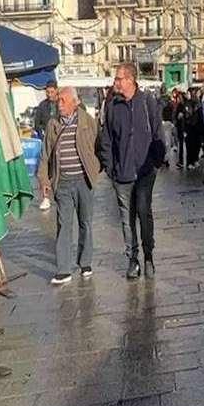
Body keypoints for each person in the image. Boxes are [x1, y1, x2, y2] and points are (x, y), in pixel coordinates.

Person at [99, 63, 165, 279]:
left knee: (144, 215)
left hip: (145, 172)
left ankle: (148, 256)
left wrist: (156, 161)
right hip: (122, 173)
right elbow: (106, 139)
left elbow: (158, 133)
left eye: (118, 79)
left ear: (130, 80)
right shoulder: (112, 106)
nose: (114, 82)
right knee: (127, 219)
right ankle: (132, 259)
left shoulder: (147, 102)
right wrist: (110, 167)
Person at [38, 87, 101, 285]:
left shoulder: (87, 121)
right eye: (58, 101)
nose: (60, 104)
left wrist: (96, 168)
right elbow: (45, 155)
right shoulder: (53, 125)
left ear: (75, 102)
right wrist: (44, 181)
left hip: (83, 181)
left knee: (85, 223)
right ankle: (64, 269)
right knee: (64, 225)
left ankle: (85, 263)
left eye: (63, 101)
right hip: (63, 182)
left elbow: (99, 146)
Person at [33, 82, 61, 210]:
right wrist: (41, 132)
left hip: (60, 142)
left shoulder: (62, 103)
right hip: (46, 142)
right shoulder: (42, 106)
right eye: (47, 92)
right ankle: (45, 197)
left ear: (56, 90)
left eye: (51, 92)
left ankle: (60, 195)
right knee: (44, 170)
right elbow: (36, 123)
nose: (49, 95)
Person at [164, 88, 188, 168]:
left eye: (179, 97)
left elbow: (180, 116)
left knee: (181, 145)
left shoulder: (181, 106)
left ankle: (181, 161)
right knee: (180, 144)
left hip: (182, 127)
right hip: (179, 127)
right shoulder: (180, 105)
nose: (177, 99)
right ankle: (181, 161)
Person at [185, 86, 204, 169]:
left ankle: (195, 160)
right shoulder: (188, 103)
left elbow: (200, 115)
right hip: (190, 127)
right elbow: (187, 114)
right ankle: (190, 162)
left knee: (197, 145)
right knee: (190, 145)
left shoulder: (199, 103)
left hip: (197, 126)